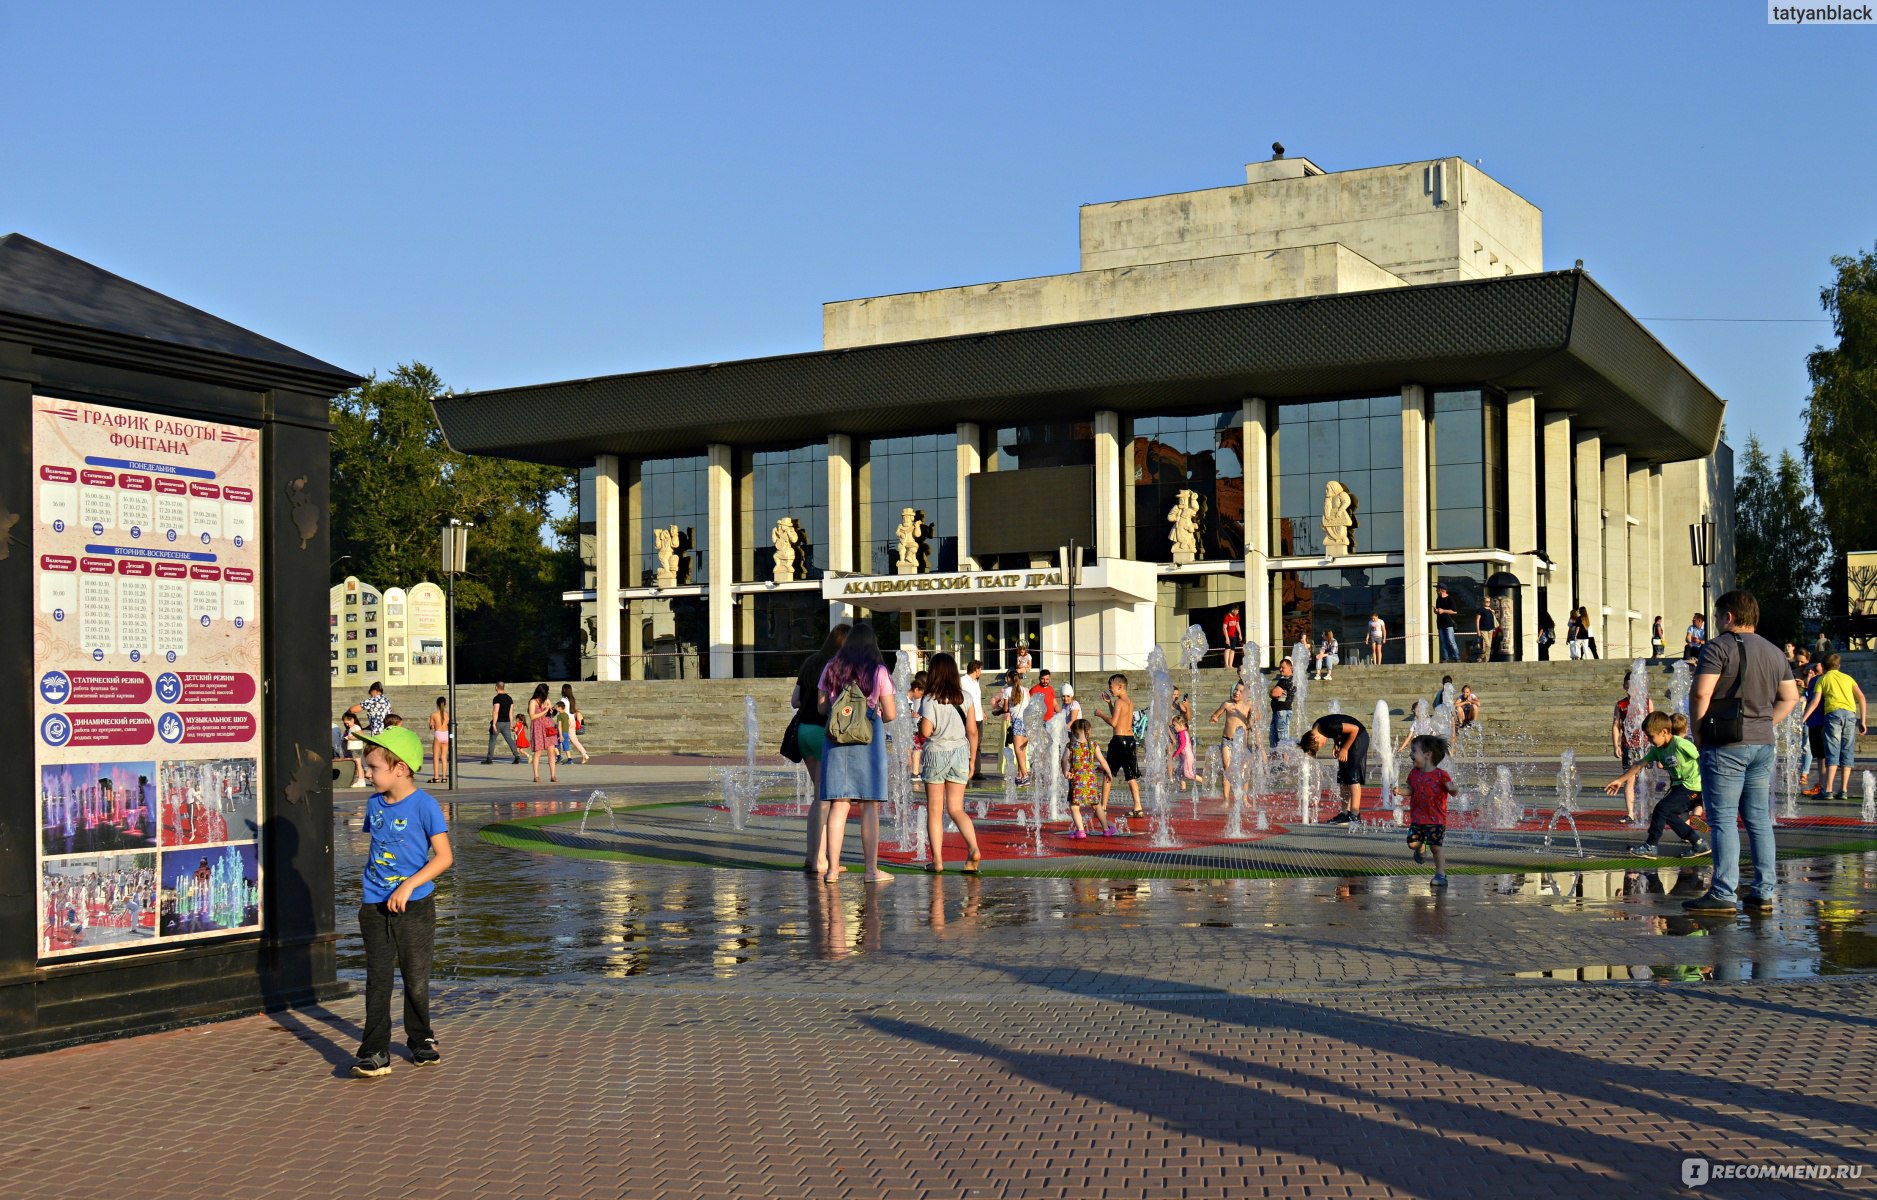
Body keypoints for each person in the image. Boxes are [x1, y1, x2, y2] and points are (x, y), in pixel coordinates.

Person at [1685, 590, 1800, 915]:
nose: (1717, 622)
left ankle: (1723, 892)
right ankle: (1763, 892)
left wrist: (1698, 732)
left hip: (1726, 744)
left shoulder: (1718, 647)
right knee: (1758, 819)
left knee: (1722, 820)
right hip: (1762, 743)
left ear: (1729, 617)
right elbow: (1790, 698)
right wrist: (1764, 721)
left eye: (1718, 616)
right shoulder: (1774, 651)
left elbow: (1700, 694)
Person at [350, 725, 452, 1078]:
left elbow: (443, 857)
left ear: (401, 769)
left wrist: (408, 886)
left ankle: (421, 1039)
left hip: (415, 906)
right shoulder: (374, 803)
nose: (367, 773)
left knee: (415, 977)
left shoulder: (425, 805)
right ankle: (375, 1051)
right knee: (378, 979)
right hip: (374, 905)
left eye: (373, 768)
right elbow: (380, 847)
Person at [817, 622, 898, 885]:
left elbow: (821, 709)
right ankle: (871, 870)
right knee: (869, 806)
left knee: (839, 805)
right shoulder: (879, 671)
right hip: (867, 739)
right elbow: (892, 714)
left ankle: (832, 869)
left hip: (836, 740)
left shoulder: (831, 668)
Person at [792, 625, 851, 874]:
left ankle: (811, 855)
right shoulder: (838, 666)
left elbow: (794, 700)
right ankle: (821, 859)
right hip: (823, 732)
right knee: (827, 799)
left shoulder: (810, 661)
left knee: (818, 797)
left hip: (803, 731)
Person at [915, 652, 981, 873]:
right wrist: (972, 760)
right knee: (956, 808)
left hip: (936, 753)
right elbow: (972, 731)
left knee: (935, 810)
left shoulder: (930, 698)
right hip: (961, 753)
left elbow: (926, 731)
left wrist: (921, 724)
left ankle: (938, 861)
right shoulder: (966, 697)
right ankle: (973, 848)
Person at [1610, 711, 1707, 859]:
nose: (1649, 740)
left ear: (1664, 732)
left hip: (1692, 786)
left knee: (1661, 809)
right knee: (1667, 813)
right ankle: (1698, 843)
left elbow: (1703, 756)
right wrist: (1620, 780)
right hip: (1679, 786)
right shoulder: (1657, 750)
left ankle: (1651, 845)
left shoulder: (1681, 744)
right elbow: (1639, 764)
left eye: (1651, 736)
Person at [1804, 653, 1868, 802]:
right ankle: (1844, 790)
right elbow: (1862, 697)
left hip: (1833, 714)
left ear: (1824, 667)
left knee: (1832, 751)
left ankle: (1828, 790)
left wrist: (1803, 718)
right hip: (1850, 715)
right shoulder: (1848, 678)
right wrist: (1863, 721)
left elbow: (1814, 702)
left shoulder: (1822, 679)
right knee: (1847, 750)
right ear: (1838, 666)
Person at [1299, 712, 1369, 824]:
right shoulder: (1316, 728)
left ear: (1316, 739)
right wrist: (1336, 744)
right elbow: (1337, 731)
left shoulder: (1327, 726)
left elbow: (1354, 729)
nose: (1322, 746)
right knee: (1343, 777)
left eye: (1319, 746)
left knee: (1352, 777)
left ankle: (1355, 815)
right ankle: (1345, 813)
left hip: (1358, 737)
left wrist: (1345, 749)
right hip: (1347, 738)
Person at [1404, 734, 1456, 886]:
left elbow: (1452, 791)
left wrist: (1453, 789)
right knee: (1412, 844)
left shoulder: (1441, 775)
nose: (1410, 754)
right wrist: (1402, 791)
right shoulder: (1413, 774)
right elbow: (1411, 790)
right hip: (1418, 818)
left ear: (1427, 755)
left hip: (1436, 819)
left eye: (1414, 751)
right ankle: (1420, 848)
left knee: (1436, 847)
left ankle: (1440, 874)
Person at [1097, 674, 1143, 819]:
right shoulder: (1129, 701)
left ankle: (1103, 807)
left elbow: (1113, 722)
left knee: (1108, 773)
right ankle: (1138, 807)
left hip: (1119, 740)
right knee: (1131, 775)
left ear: (1120, 686)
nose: (1110, 690)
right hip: (1130, 740)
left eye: (1111, 687)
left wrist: (1100, 714)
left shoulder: (1119, 702)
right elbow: (1120, 717)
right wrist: (1109, 703)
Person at [1611, 671, 1654, 824]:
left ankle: (1649, 811)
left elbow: (1654, 722)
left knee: (1648, 779)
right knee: (1629, 779)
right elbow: (1616, 725)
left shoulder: (1647, 702)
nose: (1632, 687)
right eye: (1629, 684)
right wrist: (1616, 745)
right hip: (1628, 746)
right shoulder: (1620, 704)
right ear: (1624, 686)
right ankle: (1630, 813)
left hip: (1645, 745)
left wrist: (1656, 743)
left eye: (1635, 684)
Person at [1062, 718, 1115, 839]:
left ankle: (1081, 831)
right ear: (1089, 731)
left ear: (1074, 732)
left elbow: (1064, 760)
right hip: (1091, 779)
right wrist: (1109, 772)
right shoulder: (1093, 745)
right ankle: (1106, 829)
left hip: (1076, 779)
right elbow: (1102, 761)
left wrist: (1065, 771)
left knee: (1075, 806)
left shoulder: (1070, 746)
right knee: (1096, 805)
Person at [1209, 681, 1252, 806]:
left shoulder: (1249, 705)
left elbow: (1256, 718)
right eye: (1235, 690)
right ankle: (1226, 799)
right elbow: (1216, 714)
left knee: (1244, 771)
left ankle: (1244, 799)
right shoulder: (1227, 704)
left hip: (1241, 743)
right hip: (1227, 740)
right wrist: (1214, 718)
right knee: (1227, 768)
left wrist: (1250, 721)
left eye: (1240, 691)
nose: (1236, 692)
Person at [994, 669, 1031, 786]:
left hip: (1017, 721)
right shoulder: (1024, 690)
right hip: (1027, 721)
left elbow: (1005, 709)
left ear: (1008, 679)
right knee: (1023, 750)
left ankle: (1025, 776)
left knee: (1018, 750)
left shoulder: (1007, 691)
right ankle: (1021, 776)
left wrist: (997, 712)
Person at [960, 659, 987, 783]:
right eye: (980, 669)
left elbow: (977, 699)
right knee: (968, 744)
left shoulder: (976, 682)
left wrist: (982, 711)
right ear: (976, 669)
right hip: (968, 717)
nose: (980, 671)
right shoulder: (963, 681)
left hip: (978, 716)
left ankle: (977, 770)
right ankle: (965, 768)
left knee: (978, 744)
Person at [526, 684, 558, 785]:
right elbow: (532, 716)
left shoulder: (547, 700)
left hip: (548, 726)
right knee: (538, 752)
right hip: (538, 727)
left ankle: (553, 775)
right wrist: (544, 711)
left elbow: (550, 715)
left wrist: (551, 711)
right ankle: (536, 776)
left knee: (551, 752)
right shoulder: (533, 702)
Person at [482, 682, 521, 764]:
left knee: (492, 740)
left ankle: (489, 759)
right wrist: (511, 723)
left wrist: (493, 724)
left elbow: (496, 711)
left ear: (496, 687)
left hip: (498, 722)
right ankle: (517, 756)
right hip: (506, 722)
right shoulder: (509, 698)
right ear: (503, 687)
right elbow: (511, 713)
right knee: (509, 739)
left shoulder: (497, 698)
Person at [1169, 686, 1195, 789]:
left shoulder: (1179, 705)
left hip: (1180, 734)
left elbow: (1187, 717)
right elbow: (1165, 723)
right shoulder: (1165, 706)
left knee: (1182, 760)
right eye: (1173, 694)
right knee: (1170, 755)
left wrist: (1187, 706)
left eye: (1177, 695)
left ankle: (1183, 786)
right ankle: (1171, 778)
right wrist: (1171, 737)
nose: (1175, 697)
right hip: (1170, 733)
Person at [905, 671, 930, 779]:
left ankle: (915, 772)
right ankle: (913, 773)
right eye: (921, 693)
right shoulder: (907, 698)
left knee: (917, 750)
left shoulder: (912, 699)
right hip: (911, 730)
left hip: (914, 729)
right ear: (916, 689)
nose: (921, 696)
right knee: (913, 753)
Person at [558, 684, 590, 765]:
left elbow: (562, 710)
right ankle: (584, 754)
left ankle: (567, 758)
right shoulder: (572, 699)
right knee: (574, 740)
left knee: (563, 739)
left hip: (566, 720)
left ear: (564, 690)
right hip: (572, 720)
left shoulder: (563, 699)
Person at [1269, 658, 1296, 747]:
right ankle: (1278, 760)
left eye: (1282, 667)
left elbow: (1274, 693)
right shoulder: (1290, 680)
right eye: (1279, 667)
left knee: (1282, 741)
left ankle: (1285, 760)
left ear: (1290, 668)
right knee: (1275, 741)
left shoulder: (1286, 680)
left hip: (1282, 713)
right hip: (1279, 712)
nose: (1280, 669)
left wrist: (1271, 692)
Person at [426, 697, 450, 785]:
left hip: (438, 734)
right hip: (446, 735)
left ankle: (436, 777)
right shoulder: (448, 714)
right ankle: (444, 777)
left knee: (436, 757)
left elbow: (431, 726)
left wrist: (432, 725)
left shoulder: (434, 714)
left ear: (437, 704)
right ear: (445, 704)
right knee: (444, 757)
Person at [341, 711, 367, 788]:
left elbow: (361, 735)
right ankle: (360, 780)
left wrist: (350, 738)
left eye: (347, 723)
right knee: (357, 764)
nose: (347, 725)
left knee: (358, 764)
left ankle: (361, 780)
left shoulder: (356, 727)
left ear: (352, 720)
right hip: (353, 748)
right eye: (345, 723)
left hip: (356, 748)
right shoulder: (351, 728)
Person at [1434, 586, 1460, 663]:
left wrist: (1443, 611)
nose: (1436, 591)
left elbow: (1455, 611)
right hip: (1440, 623)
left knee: (1451, 640)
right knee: (1443, 641)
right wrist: (1436, 611)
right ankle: (1445, 657)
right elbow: (1439, 610)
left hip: (1448, 623)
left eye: (1437, 589)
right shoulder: (1438, 599)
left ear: (1442, 590)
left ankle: (1457, 657)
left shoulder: (1450, 598)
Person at [1221, 605, 1244, 671]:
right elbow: (1224, 628)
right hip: (1227, 635)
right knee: (1227, 649)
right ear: (1233, 610)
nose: (1237, 612)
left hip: (1233, 636)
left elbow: (1237, 625)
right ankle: (1226, 664)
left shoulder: (1237, 616)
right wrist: (1227, 638)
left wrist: (1240, 634)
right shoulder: (1227, 616)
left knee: (1232, 650)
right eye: (1237, 610)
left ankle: (1230, 664)